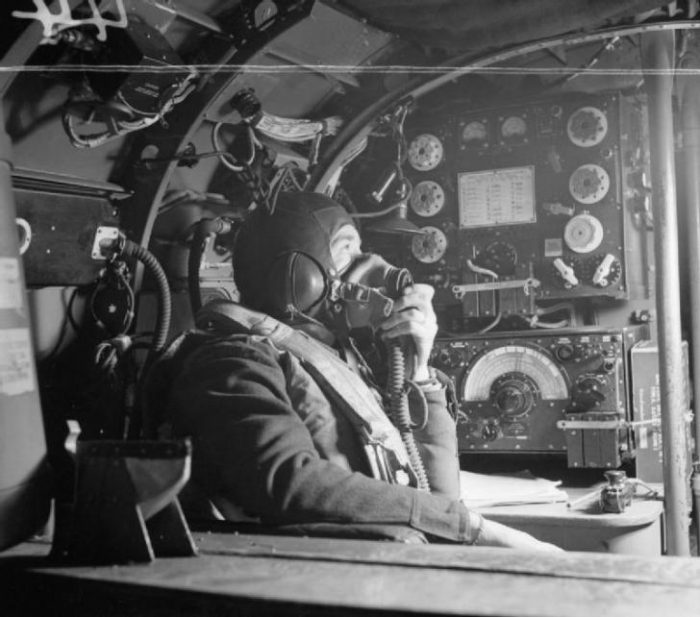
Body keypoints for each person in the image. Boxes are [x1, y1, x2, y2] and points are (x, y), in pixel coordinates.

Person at [155, 191, 560, 551]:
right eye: (348, 250)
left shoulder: (338, 360)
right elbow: (290, 483)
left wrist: (419, 369)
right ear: (300, 276)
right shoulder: (232, 361)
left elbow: (438, 498)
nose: (375, 267)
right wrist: (471, 528)